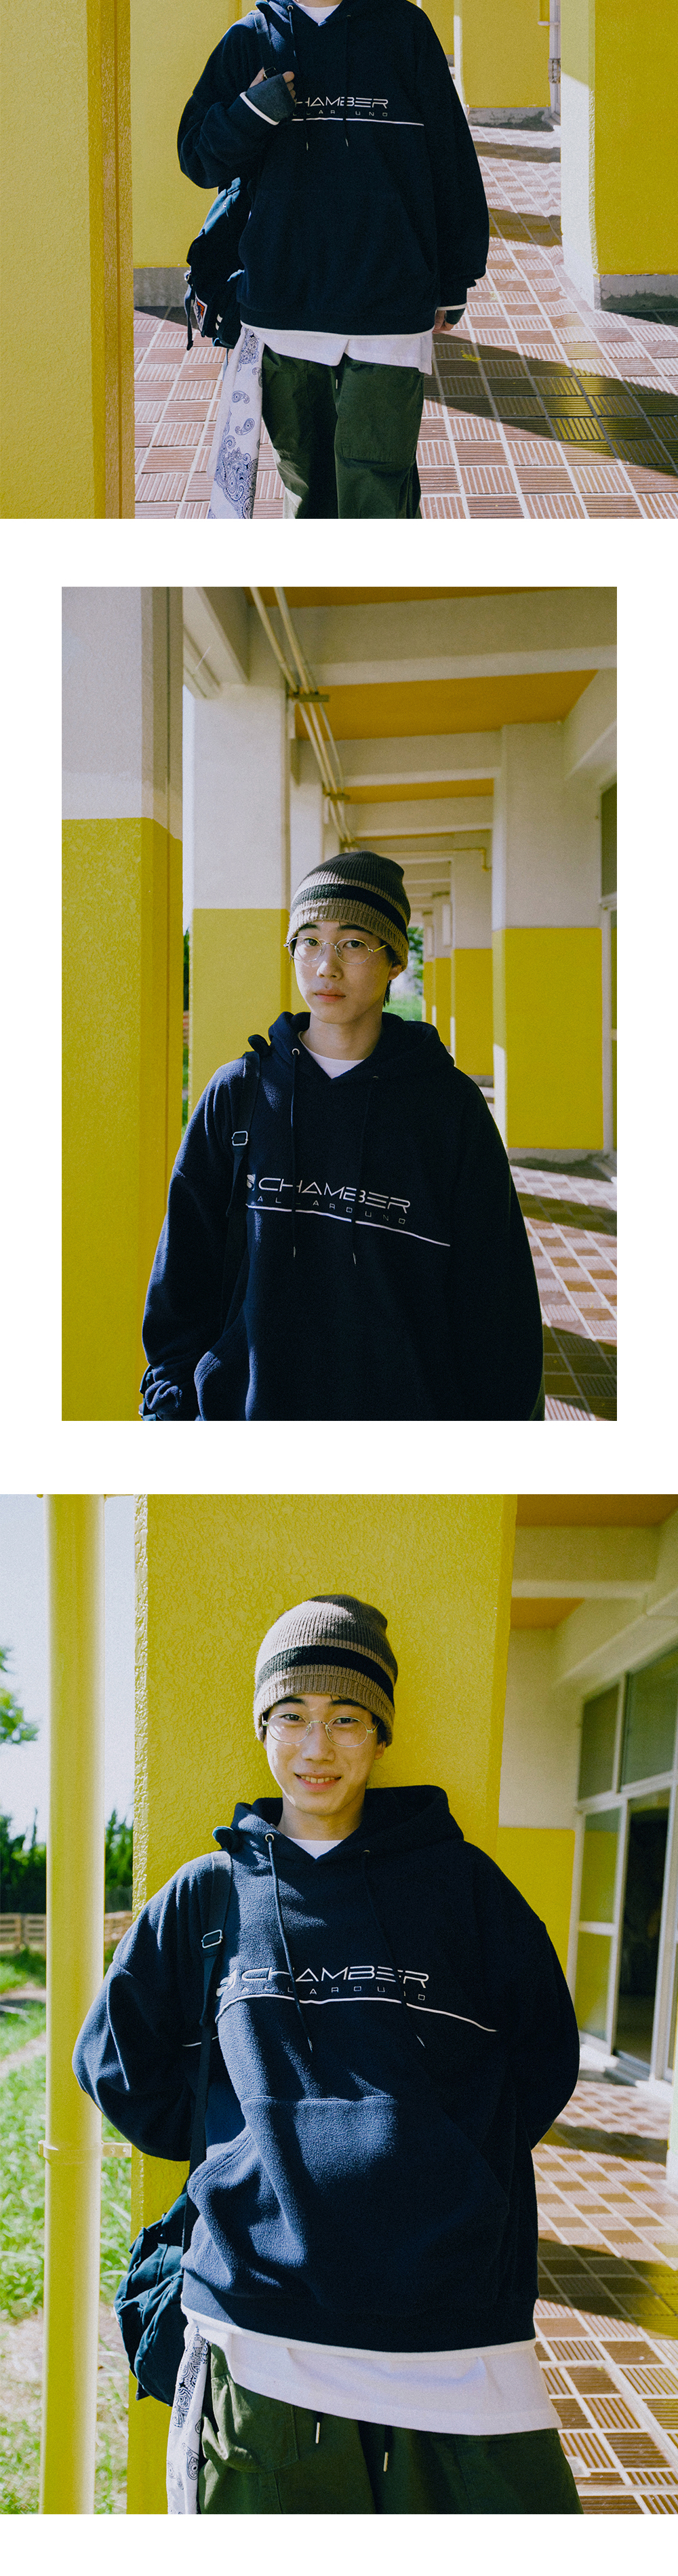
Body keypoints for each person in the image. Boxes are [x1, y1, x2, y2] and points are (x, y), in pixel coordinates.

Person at [73, 1592, 582, 2516]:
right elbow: (115, 2062)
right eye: (292, 1715)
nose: (318, 1745)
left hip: (459, 2333)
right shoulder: (209, 1894)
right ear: (262, 1726)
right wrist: (246, 2161)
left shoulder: (464, 1889)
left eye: (347, 1717)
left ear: (380, 1734)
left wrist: (454, 2165)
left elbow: (544, 2057)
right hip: (259, 2334)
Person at [140, 851, 544, 1422]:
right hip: (249, 1420)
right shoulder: (240, 1093)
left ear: (395, 960)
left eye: (353, 942)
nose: (326, 965)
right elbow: (183, 1271)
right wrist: (172, 1407)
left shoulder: (449, 1110)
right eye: (309, 940)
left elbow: (495, 1294)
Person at [177, 0, 490, 518]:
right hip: (283, 298)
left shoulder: (404, 32)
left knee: (377, 490)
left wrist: (454, 277)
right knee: (310, 489)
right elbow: (198, 159)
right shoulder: (251, 39)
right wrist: (251, 112)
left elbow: (450, 160)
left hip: (388, 297)